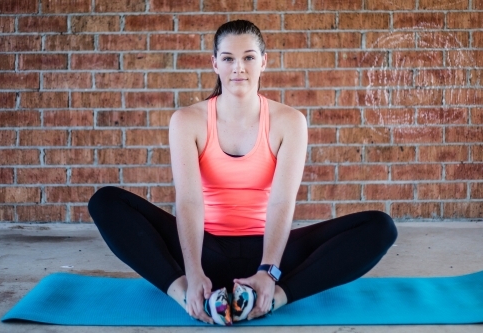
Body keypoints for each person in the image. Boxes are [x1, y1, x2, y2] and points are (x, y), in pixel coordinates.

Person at [87, 20, 398, 326]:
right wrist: (193, 271)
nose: (239, 67)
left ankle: (270, 298)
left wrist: (268, 271)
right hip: (203, 251)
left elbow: (281, 202)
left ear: (263, 62)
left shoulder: (289, 121)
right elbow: (190, 201)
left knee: (380, 227)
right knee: (106, 202)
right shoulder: (187, 120)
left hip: (270, 255)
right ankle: (187, 296)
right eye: (228, 58)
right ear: (215, 64)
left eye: (249, 57)